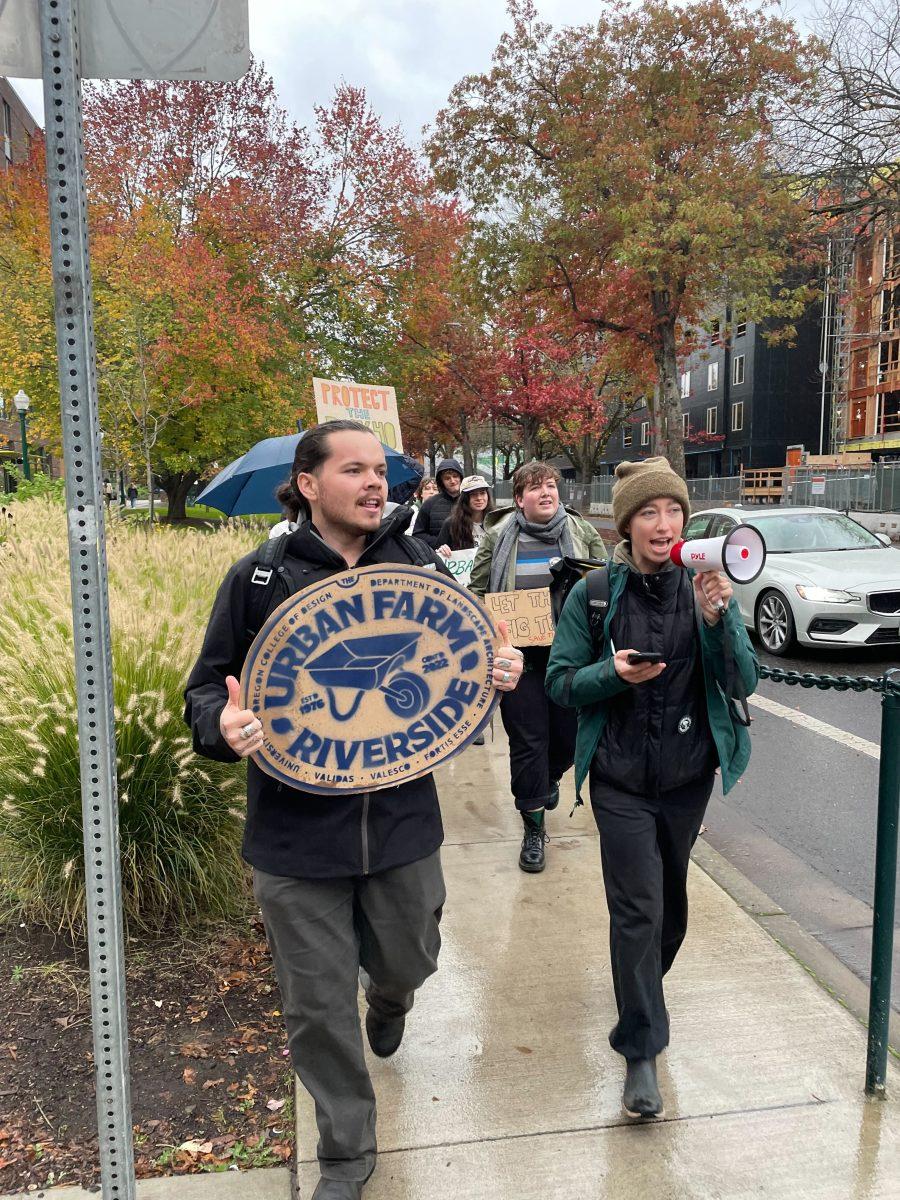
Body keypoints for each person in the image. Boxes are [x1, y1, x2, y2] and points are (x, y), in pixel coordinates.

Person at [184, 420, 524, 1200]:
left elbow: (469, 655)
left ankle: (393, 993)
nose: (376, 484)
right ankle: (344, 1150)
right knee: (314, 1005)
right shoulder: (259, 578)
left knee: (412, 954)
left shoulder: (420, 566)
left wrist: (497, 668)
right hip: (294, 840)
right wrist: (221, 725)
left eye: (380, 471)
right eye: (354, 470)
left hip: (401, 824)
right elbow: (206, 690)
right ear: (308, 484)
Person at [545, 457, 758, 1120]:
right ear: (627, 523)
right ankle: (641, 1049)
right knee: (636, 910)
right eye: (648, 512)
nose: (663, 524)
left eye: (673, 511)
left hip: (687, 777)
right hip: (620, 781)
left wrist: (720, 619)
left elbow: (742, 683)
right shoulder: (596, 595)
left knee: (670, 911)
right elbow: (559, 682)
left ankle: (640, 991)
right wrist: (611, 674)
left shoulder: (705, 585)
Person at [470, 461, 605, 873]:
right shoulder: (498, 536)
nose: (546, 492)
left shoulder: (582, 532)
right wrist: (489, 624)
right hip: (519, 659)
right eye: (535, 487)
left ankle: (548, 780)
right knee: (528, 741)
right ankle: (533, 826)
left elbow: (607, 580)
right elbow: (476, 592)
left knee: (565, 740)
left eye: (551, 485)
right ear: (519, 498)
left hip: (569, 656)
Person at [436, 474, 492, 556]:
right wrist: (442, 550)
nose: (479, 498)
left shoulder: (496, 521)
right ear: (464, 498)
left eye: (482, 493)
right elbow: (438, 554)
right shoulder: (451, 524)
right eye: (473, 494)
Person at [411, 458, 462, 547]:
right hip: (439, 557)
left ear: (461, 477)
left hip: (470, 556)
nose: (452, 481)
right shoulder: (430, 504)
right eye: (447, 478)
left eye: (455, 476)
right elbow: (417, 534)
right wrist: (439, 544)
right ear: (441, 482)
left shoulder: (470, 500)